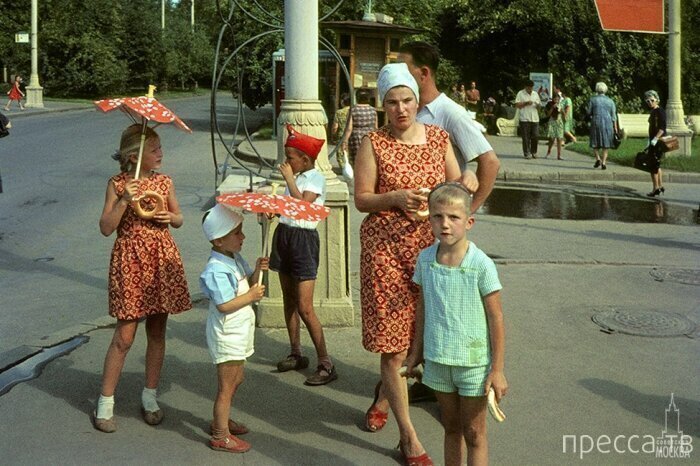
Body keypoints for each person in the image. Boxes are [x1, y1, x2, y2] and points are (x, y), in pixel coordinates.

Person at [355, 62, 474, 466]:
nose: (401, 109)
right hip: (385, 251)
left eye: (407, 100)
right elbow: (361, 199)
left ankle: (383, 392)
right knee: (392, 345)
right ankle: (409, 439)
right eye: (392, 103)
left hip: (431, 252)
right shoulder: (373, 142)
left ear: (416, 100)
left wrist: (466, 184)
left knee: (428, 339)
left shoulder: (439, 139)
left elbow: (456, 187)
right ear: (383, 105)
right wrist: (395, 197)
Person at [93, 124, 192, 433]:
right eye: (155, 149)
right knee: (124, 335)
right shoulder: (118, 184)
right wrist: (124, 200)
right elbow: (106, 227)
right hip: (130, 260)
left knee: (158, 331)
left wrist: (170, 217)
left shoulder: (164, 183)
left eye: (160, 148)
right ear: (135, 156)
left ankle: (150, 397)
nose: (161, 153)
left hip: (161, 259)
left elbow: (178, 218)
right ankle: (105, 403)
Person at [405, 182, 507, 466]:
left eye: (454, 218)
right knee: (451, 428)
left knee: (474, 432)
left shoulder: (481, 264)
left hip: (473, 364)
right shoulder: (425, 260)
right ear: (429, 218)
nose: (445, 225)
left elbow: (496, 317)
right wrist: (416, 351)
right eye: (437, 217)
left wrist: (497, 370)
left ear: (469, 222)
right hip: (438, 360)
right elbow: (423, 306)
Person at [271, 124, 337, 386]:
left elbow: (303, 207)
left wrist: (288, 180)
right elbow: (288, 208)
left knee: (305, 306)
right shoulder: (296, 178)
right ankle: (296, 351)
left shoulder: (314, 178)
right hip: (285, 235)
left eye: (290, 158)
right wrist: (274, 210)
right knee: (289, 300)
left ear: (305, 160)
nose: (286, 162)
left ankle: (325, 362)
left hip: (304, 241)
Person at [398, 41, 498, 214]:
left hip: (437, 217)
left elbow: (490, 162)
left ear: (423, 73)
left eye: (403, 70)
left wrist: (467, 211)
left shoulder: (451, 113)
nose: (397, 76)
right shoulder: (405, 111)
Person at [200, 204, 269, 453]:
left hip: (239, 331)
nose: (243, 237)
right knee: (226, 387)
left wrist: (257, 271)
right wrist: (251, 295)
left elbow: (247, 284)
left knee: (237, 377)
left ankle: (223, 417)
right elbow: (224, 305)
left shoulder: (233, 258)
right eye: (237, 233)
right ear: (219, 240)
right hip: (227, 333)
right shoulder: (216, 270)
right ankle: (220, 434)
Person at [340, 88, 378, 166]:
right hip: (370, 136)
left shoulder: (353, 110)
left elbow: (349, 128)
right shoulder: (373, 110)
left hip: (356, 137)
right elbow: (376, 127)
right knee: (369, 159)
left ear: (357, 98)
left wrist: (345, 141)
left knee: (357, 160)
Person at [586, 82, 618, 170]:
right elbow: (613, 116)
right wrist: (615, 128)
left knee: (594, 141)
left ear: (597, 89)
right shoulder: (610, 101)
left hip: (596, 121)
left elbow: (588, 112)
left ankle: (598, 159)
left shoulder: (592, 100)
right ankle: (604, 162)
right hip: (608, 123)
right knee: (606, 143)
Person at [644, 90, 667, 197]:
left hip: (657, 141)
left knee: (652, 165)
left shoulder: (660, 111)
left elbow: (662, 128)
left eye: (652, 100)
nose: (649, 102)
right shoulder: (654, 111)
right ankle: (660, 186)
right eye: (647, 100)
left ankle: (655, 188)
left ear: (657, 100)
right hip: (654, 141)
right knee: (657, 164)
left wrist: (655, 139)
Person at [515, 79, 541, 159]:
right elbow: (517, 105)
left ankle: (534, 152)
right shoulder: (520, 93)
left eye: (531, 88)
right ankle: (527, 153)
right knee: (526, 137)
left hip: (535, 118)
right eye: (529, 88)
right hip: (525, 118)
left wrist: (537, 105)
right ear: (525, 87)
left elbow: (539, 106)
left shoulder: (535, 94)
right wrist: (526, 103)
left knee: (535, 136)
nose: (530, 89)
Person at [331, 94, 351, 171]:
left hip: (341, 135)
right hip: (352, 135)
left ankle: (344, 168)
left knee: (341, 153)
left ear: (342, 102)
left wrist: (333, 134)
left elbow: (335, 127)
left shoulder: (339, 112)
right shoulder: (353, 110)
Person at [545, 94, 565, 160]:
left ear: (559, 100)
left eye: (558, 99)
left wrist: (562, 112)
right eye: (555, 99)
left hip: (559, 122)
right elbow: (548, 115)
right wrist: (552, 108)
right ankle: (548, 152)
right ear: (553, 99)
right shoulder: (550, 105)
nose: (556, 100)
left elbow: (564, 115)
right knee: (552, 138)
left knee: (559, 139)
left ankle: (559, 155)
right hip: (552, 122)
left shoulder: (561, 105)